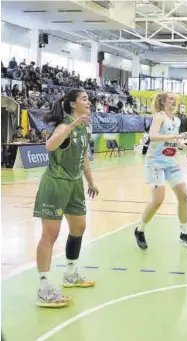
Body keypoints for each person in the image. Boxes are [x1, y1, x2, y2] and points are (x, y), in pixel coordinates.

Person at [33, 90, 99, 308]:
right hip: (56, 183)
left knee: (79, 226)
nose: (88, 102)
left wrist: (90, 181)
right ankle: (44, 288)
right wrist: (71, 126)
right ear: (72, 104)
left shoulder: (85, 127)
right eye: (84, 99)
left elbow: (84, 158)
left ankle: (71, 274)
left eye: (88, 99)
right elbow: (49, 145)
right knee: (50, 234)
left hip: (75, 183)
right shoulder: (64, 126)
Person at [134, 93, 187, 250]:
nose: (174, 102)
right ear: (163, 102)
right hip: (155, 163)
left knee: (184, 196)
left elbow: (175, 140)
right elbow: (153, 137)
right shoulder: (159, 117)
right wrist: (176, 135)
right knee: (158, 200)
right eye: (170, 99)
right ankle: (140, 230)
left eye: (175, 100)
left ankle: (184, 233)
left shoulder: (177, 120)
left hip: (171, 162)